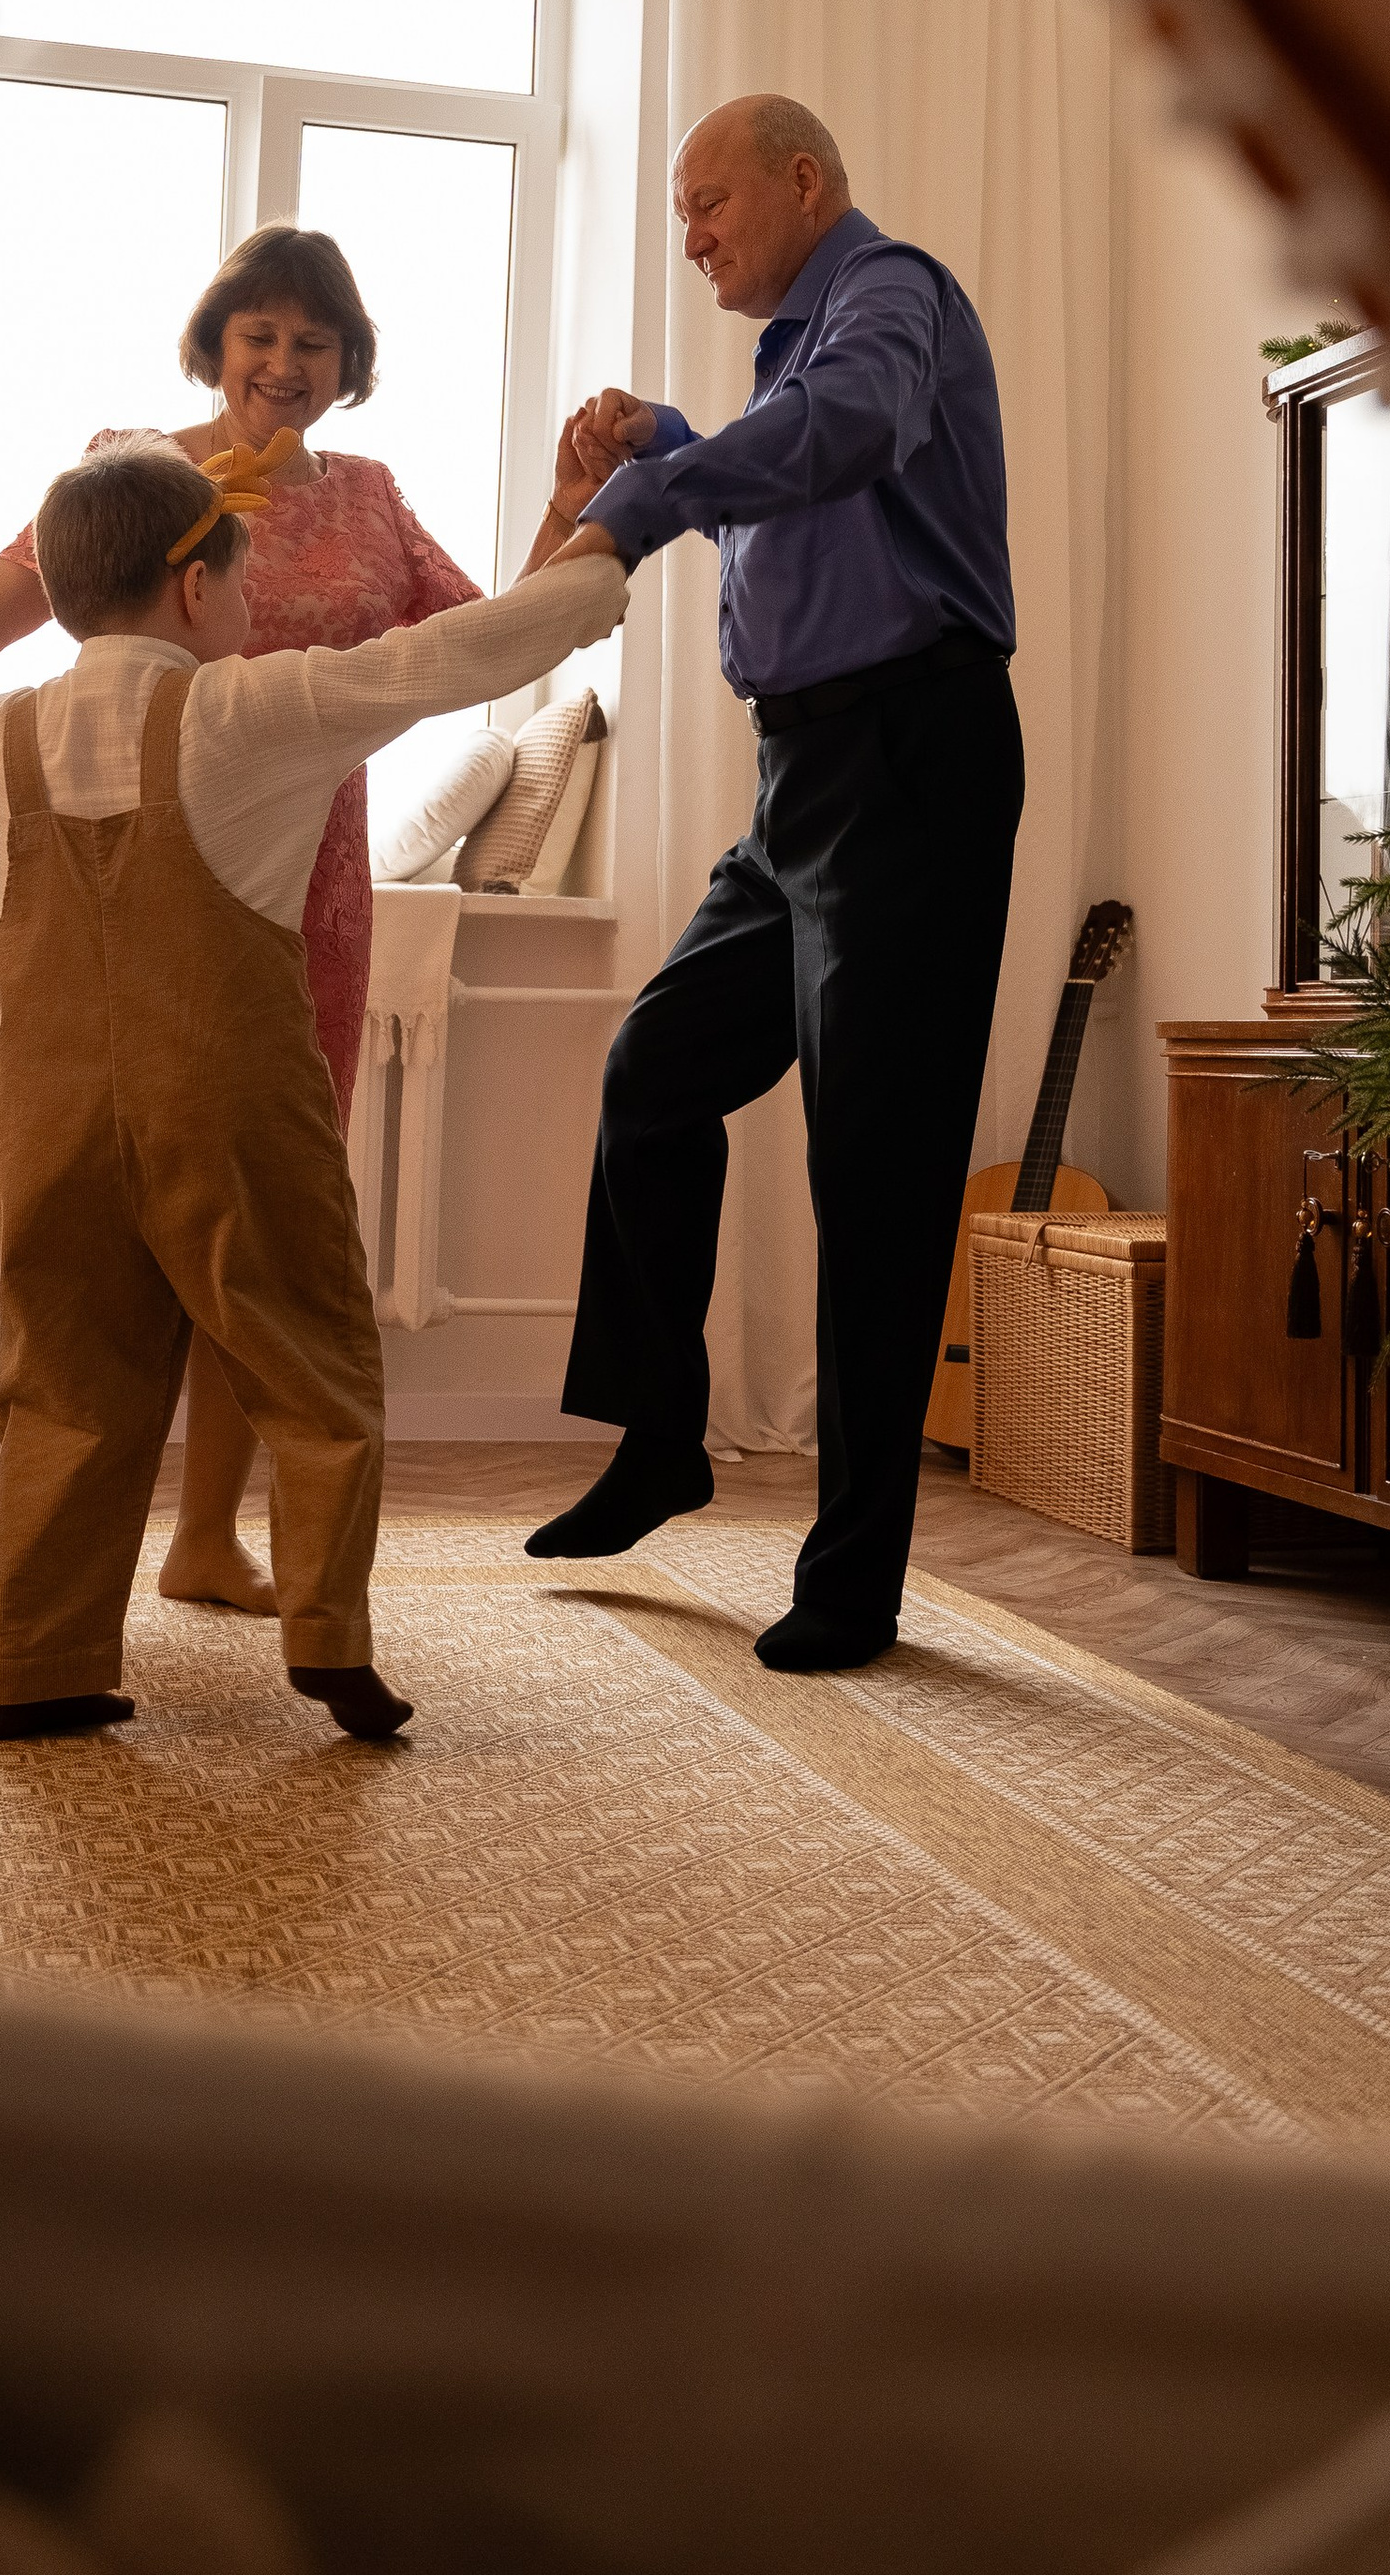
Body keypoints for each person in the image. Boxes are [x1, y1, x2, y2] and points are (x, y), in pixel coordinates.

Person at [0, 224, 590, 1618]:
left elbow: (490, 638)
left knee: (274, 1214)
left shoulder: (372, 499)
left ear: (348, 366)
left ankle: (213, 1535)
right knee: (119, 1189)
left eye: (314, 342)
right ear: (218, 343)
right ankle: (75, 1562)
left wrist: (576, 508)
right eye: (262, 335)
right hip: (136, 854)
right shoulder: (131, 475)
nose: (285, 364)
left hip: (318, 879)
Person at [524, 95, 1023, 1677]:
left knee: (874, 1176)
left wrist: (659, 495)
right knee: (652, 1076)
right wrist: (667, 439)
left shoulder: (893, 295)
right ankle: (665, 1435)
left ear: (805, 182)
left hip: (914, 763)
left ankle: (855, 1579)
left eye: (709, 201)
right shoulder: (783, 357)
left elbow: (851, 434)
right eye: (680, 211)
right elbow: (793, 487)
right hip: (797, 782)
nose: (691, 235)